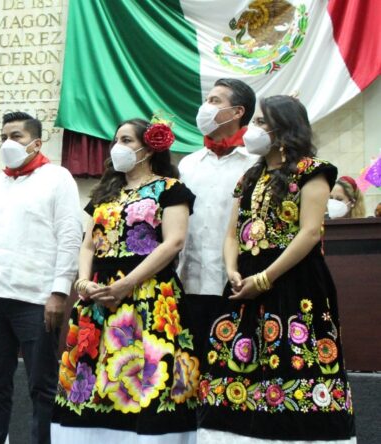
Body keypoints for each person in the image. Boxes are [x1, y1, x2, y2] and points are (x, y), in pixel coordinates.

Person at [197, 96, 356, 442]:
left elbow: (310, 232)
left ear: (284, 129)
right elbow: (231, 234)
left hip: (294, 280)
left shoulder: (313, 171)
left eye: (260, 123)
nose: (252, 130)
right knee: (238, 360)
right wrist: (232, 269)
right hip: (245, 282)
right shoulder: (249, 176)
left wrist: (266, 278)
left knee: (292, 360)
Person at [51, 118, 198, 442]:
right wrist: (84, 283)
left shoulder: (171, 189)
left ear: (148, 148)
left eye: (127, 140)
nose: (119, 147)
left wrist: (125, 284)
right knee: (94, 375)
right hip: (98, 295)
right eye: (117, 139)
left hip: (148, 290)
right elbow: (88, 243)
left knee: (145, 374)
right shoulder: (105, 192)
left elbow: (173, 242)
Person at [0, 112, 83, 444]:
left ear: (36, 143)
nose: (7, 143)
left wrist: (59, 292)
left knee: (41, 387)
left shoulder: (58, 178)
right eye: (3, 136)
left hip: (37, 300)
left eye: (15, 136)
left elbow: (70, 236)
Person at [178, 78, 258, 362]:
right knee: (188, 366)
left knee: (231, 369)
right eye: (206, 100)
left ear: (238, 112)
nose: (205, 107)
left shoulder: (255, 162)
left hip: (236, 283)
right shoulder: (188, 164)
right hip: (188, 281)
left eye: (214, 101)